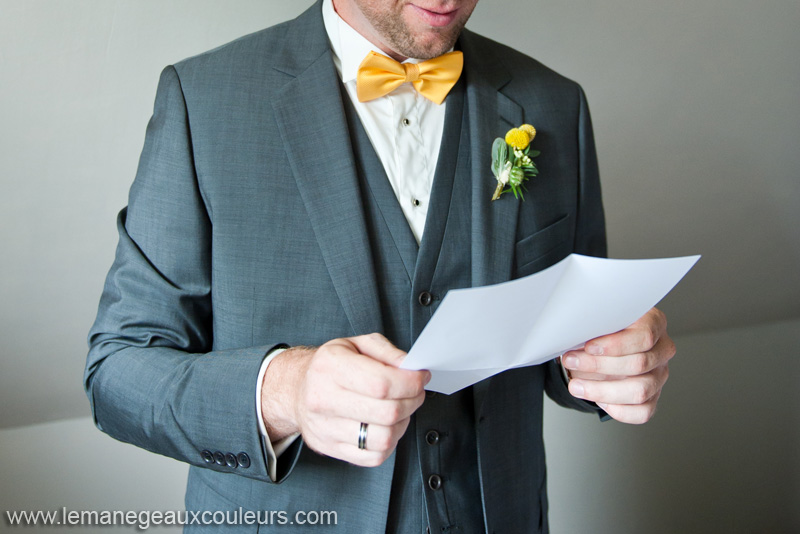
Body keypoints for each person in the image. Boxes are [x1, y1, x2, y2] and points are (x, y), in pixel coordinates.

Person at [85, 0, 675, 532]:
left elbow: (570, 336)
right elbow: (117, 372)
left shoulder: (553, 102)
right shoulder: (205, 99)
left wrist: (614, 366)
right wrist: (286, 391)